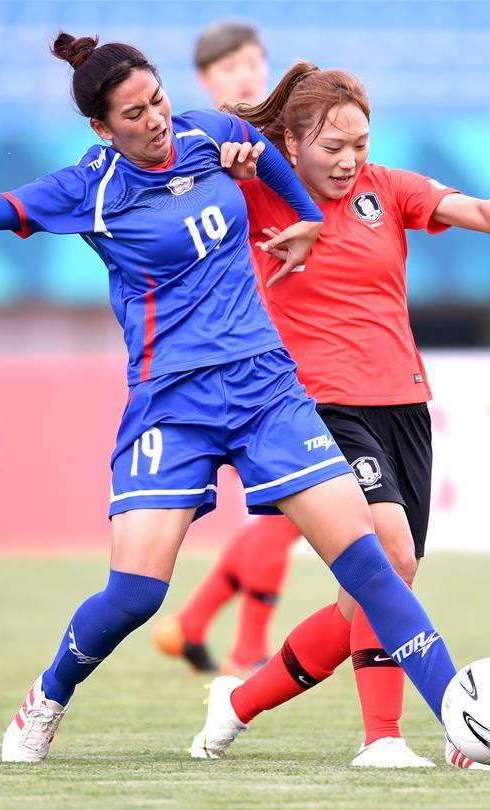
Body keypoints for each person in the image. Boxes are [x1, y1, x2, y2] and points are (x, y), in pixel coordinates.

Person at [0, 36, 465, 765]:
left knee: (369, 563)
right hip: (172, 404)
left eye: (156, 100)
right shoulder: (84, 190)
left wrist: (301, 214)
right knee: (133, 596)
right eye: (134, 113)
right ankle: (48, 695)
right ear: (101, 128)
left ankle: (459, 718)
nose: (155, 119)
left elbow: (259, 144)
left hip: (264, 390)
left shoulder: (205, 133)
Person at [188, 61, 490, 769]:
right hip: (319, 405)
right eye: (332, 146)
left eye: (358, 143)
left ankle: (236, 703)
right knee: (387, 557)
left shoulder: (386, 189)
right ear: (291, 144)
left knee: (369, 597)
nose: (348, 159)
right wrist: (231, 152)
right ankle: (387, 736)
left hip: (403, 405)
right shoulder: (259, 194)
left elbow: (482, 212)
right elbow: (187, 153)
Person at [152, 19, 302, 679]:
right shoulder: (191, 149)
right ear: (204, 82)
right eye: (231, 67)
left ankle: (193, 623)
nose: (247, 75)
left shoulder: (269, 143)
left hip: (281, 328)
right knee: (289, 503)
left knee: (288, 507)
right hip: (240, 345)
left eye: (254, 63)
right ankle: (246, 649)